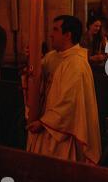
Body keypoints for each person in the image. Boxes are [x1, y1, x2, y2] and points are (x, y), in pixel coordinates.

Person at [27, 15, 102, 164]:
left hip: (63, 136)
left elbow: (69, 104)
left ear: (67, 35)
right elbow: (36, 77)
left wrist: (43, 122)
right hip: (47, 129)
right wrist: (31, 62)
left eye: (55, 30)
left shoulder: (76, 64)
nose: (51, 34)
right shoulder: (53, 57)